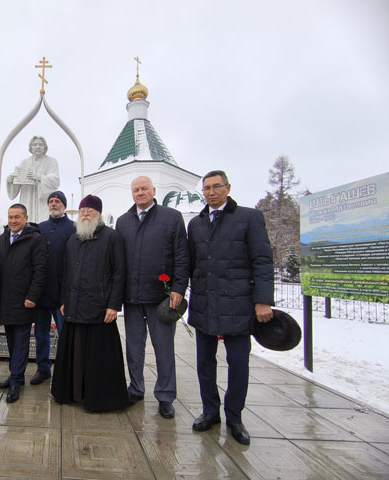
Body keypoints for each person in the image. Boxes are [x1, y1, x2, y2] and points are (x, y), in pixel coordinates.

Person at [187, 170, 274, 445]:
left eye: (216, 187)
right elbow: (190, 263)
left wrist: (262, 300)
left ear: (228, 188)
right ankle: (210, 411)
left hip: (237, 305)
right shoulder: (196, 224)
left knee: (238, 362)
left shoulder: (249, 218)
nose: (211, 192)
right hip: (205, 303)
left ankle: (234, 416)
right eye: (207, 188)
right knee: (204, 362)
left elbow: (262, 260)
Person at [115, 176, 189, 418]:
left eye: (144, 188)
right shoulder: (123, 222)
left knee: (164, 348)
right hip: (132, 298)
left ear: (153, 191)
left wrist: (179, 287)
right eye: (136, 189)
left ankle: (166, 395)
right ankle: (136, 388)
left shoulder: (171, 218)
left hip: (162, 298)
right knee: (134, 349)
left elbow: (181, 256)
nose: (140, 193)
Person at [51, 195, 128, 412]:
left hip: (100, 309)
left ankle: (97, 398)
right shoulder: (73, 240)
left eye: (90, 210)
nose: (85, 213)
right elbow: (66, 273)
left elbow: (119, 273)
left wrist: (114, 305)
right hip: (74, 306)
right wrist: (64, 300)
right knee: (74, 354)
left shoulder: (112, 238)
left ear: (99, 214)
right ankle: (74, 393)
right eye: (83, 210)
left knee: (98, 358)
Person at [0, 204, 47, 403]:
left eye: (17, 217)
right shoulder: (0, 241)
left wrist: (33, 296)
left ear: (25, 218)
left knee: (21, 343)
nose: (13, 221)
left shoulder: (35, 240)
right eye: (10, 217)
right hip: (7, 301)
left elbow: (40, 271)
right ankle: (14, 375)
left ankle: (16, 380)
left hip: (25, 301)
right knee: (11, 341)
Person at [31, 191, 75, 385]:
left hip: (62, 293)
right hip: (41, 293)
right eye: (51, 201)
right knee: (41, 335)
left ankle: (66, 369)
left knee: (65, 335)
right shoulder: (40, 228)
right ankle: (43, 368)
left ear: (64, 206)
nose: (54, 204)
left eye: (57, 201)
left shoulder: (73, 228)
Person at [6, 136, 60, 223]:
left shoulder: (51, 161)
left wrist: (39, 177)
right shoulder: (24, 163)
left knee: (43, 223)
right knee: (27, 219)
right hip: (28, 197)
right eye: (35, 145)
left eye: (40, 144)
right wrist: (10, 180)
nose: (38, 147)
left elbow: (55, 180)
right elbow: (16, 183)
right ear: (31, 147)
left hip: (42, 199)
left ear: (44, 147)